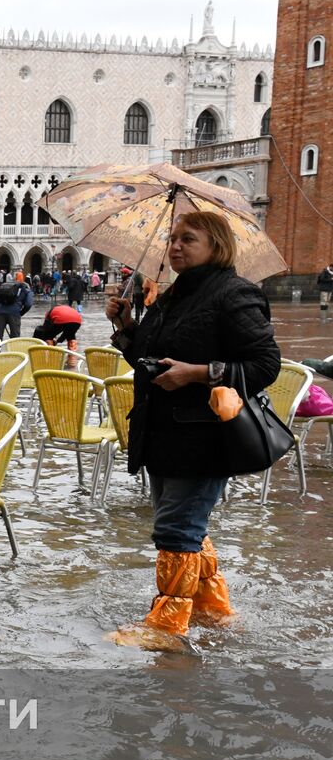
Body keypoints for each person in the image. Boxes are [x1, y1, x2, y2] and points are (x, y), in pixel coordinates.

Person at [105, 211, 281, 652]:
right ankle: (211, 608)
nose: (176, 246)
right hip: (162, 432)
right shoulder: (172, 295)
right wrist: (125, 326)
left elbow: (266, 365)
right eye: (173, 239)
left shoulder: (235, 293)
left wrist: (198, 373)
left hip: (203, 436)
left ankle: (167, 627)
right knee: (186, 526)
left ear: (216, 244)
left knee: (176, 531)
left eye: (188, 239)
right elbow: (147, 361)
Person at [0, 271, 33, 338]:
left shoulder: (6, 286)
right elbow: (28, 304)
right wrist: (21, 313)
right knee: (15, 337)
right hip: (14, 313)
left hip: (0, 312)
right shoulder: (25, 288)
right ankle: (13, 348)